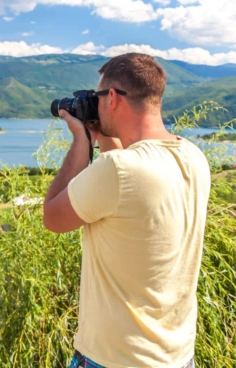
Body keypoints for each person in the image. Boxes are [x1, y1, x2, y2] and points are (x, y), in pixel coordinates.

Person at [42, 53, 211, 368]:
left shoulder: (119, 170)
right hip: (176, 357)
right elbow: (125, 188)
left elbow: (53, 217)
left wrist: (82, 141)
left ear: (113, 99)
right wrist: (105, 137)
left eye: (98, 97)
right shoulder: (193, 157)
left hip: (115, 359)